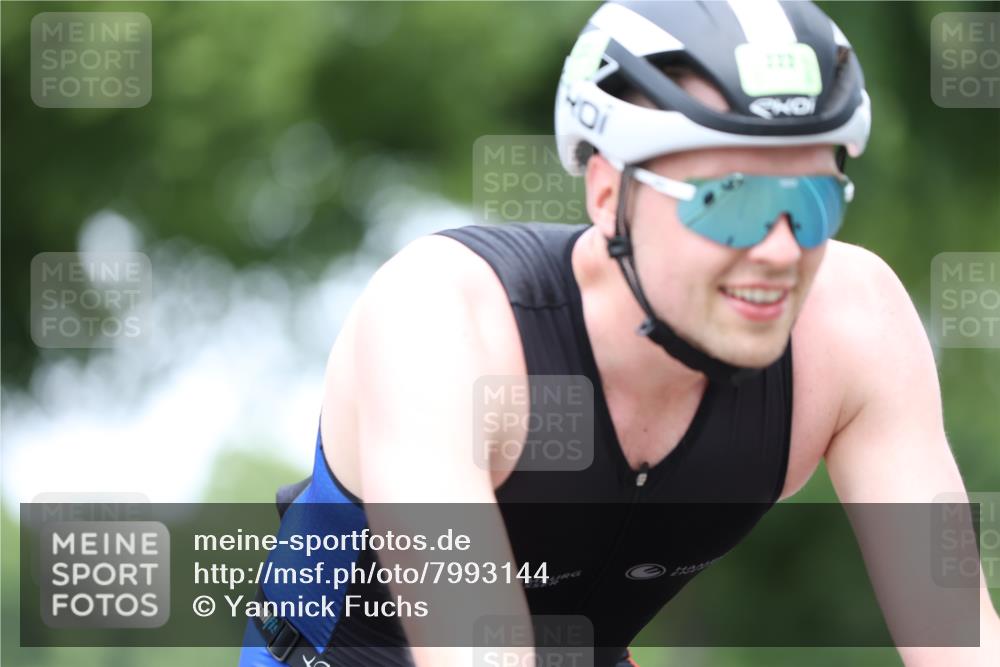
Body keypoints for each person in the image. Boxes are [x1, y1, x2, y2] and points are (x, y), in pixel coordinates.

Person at [239, 1, 1000, 665]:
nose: (778, 248)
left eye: (812, 200)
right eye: (729, 198)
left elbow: (963, 640)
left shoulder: (855, 327)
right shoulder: (445, 322)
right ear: (609, 193)